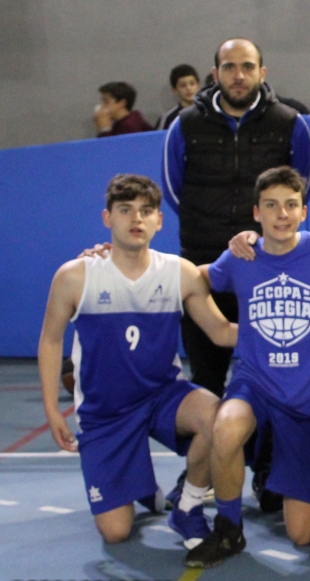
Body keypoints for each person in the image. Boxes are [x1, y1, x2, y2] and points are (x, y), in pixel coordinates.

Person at [37, 174, 235, 547]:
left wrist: (279, 328)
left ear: (159, 220)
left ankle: (188, 505)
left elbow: (222, 332)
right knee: (116, 532)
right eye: (125, 210)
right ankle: (141, 486)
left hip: (162, 395)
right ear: (107, 218)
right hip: (106, 412)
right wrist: (52, 410)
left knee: (220, 418)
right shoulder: (75, 277)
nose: (136, 219)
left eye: (146, 211)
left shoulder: (179, 272)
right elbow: (50, 341)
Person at [183, 168, 310, 567]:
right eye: (271, 206)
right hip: (254, 383)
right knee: (226, 427)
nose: (282, 214)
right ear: (256, 213)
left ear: (304, 211)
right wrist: (221, 330)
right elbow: (193, 277)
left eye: (291, 205)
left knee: (301, 535)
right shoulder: (241, 256)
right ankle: (228, 529)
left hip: (307, 395)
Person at [162, 38, 310, 398]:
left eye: (247, 67)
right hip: (202, 261)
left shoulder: (289, 122)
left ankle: (264, 437)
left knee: (271, 374)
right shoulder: (185, 124)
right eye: (229, 67)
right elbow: (172, 188)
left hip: (266, 264)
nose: (239, 75)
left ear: (262, 72)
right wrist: (208, 227)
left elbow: (301, 187)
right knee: (206, 378)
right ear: (215, 74)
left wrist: (265, 238)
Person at [158, 65, 202, 130]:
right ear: (174, 90)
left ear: (198, 86)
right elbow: (162, 136)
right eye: (183, 85)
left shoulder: (208, 112)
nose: (188, 88)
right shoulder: (169, 118)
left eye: (192, 84)